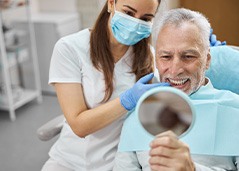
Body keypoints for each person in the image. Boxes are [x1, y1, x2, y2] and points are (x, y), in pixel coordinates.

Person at [41, 0, 170, 170]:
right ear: (111, 3)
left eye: (145, 19)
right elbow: (79, 126)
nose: (134, 23)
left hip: (118, 164)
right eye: (129, 13)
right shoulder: (70, 48)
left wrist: (204, 55)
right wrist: (127, 100)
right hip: (69, 162)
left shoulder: (149, 58)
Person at [113, 8, 239, 171]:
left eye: (188, 56)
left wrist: (192, 169)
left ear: (207, 60)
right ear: (156, 59)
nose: (175, 70)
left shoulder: (235, 111)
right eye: (166, 57)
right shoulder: (138, 115)